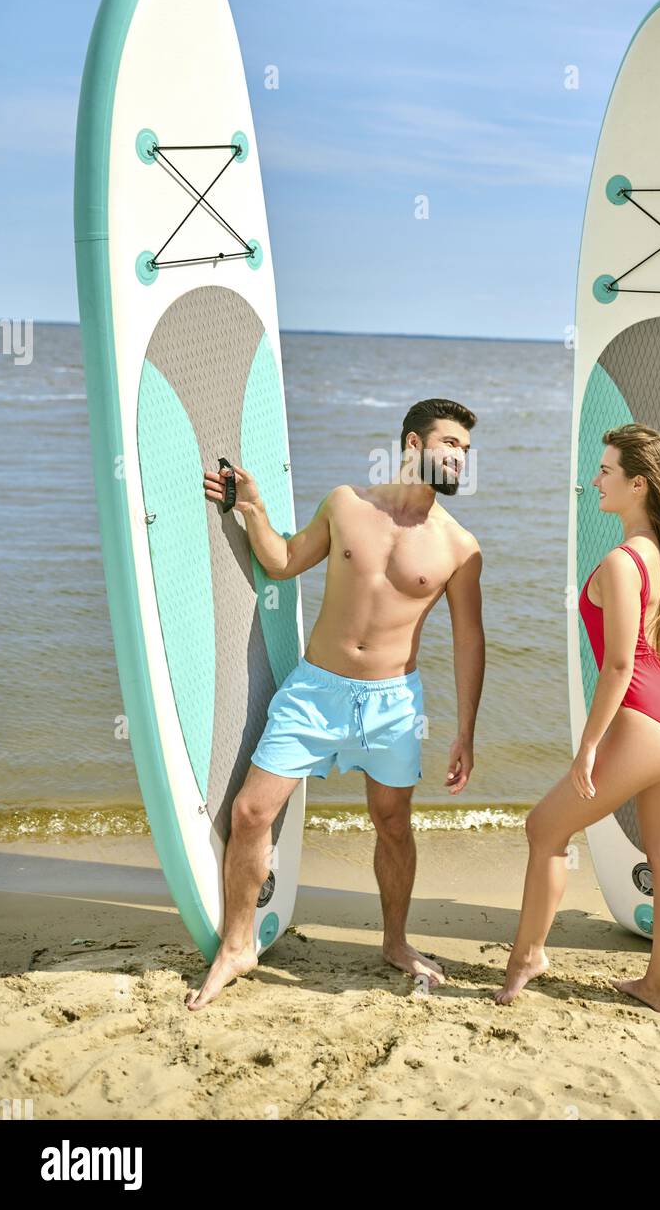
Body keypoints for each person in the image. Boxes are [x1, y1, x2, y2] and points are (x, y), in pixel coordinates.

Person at [186, 398, 484, 1010]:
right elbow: (283, 562)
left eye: (466, 451)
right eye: (450, 444)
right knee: (250, 812)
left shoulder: (459, 547)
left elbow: (469, 642)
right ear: (411, 443)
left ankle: (396, 942)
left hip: (393, 702)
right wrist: (253, 510)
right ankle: (238, 945)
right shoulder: (346, 504)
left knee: (393, 822)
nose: (459, 458)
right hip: (316, 690)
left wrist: (466, 732)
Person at [495, 423, 660, 1013]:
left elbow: (620, 664)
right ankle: (658, 987)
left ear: (638, 485)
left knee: (545, 829)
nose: (595, 479)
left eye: (606, 471)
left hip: (646, 715)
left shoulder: (624, 561)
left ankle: (528, 957)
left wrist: (588, 747)